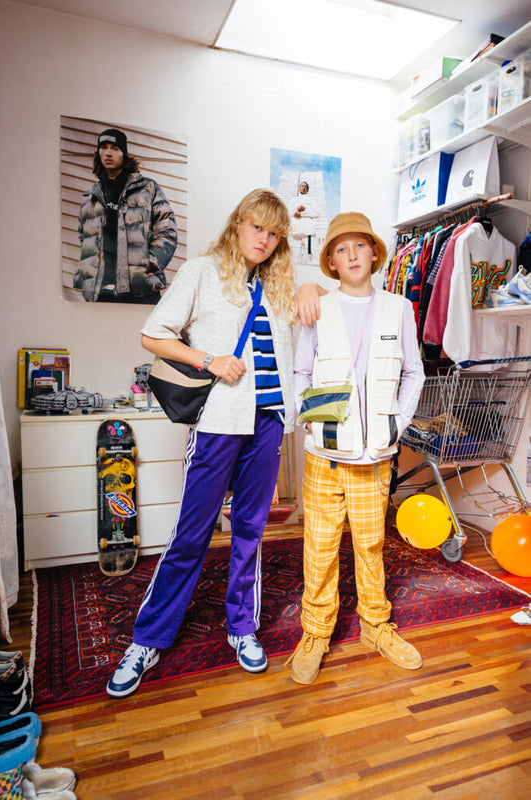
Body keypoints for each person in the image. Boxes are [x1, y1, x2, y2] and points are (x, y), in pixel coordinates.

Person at [106, 188, 296, 698]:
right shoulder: (201, 272)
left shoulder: (277, 285)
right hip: (218, 422)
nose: (264, 239)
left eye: (274, 233)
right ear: (238, 224)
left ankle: (242, 627)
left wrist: (314, 289)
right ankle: (147, 639)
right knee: (191, 534)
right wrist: (208, 360)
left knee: (249, 532)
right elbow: (153, 335)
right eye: (257, 227)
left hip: (268, 423)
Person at [287, 212, 425, 685]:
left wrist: (397, 423)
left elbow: (414, 373)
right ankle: (316, 632)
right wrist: (313, 419)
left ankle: (376, 626)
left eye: (359, 246)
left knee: (370, 545)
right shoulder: (318, 307)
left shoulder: (399, 308)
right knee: (320, 547)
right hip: (325, 456)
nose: (351, 255)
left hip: (375, 456)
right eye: (341, 249)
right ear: (331, 260)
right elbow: (302, 371)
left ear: (374, 253)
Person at [75, 128, 178, 303]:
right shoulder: (90, 197)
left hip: (139, 291)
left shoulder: (148, 189)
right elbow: (84, 238)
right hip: (99, 293)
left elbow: (167, 232)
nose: (108, 153)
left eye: (115, 148)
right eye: (104, 147)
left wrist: (149, 264)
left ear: (124, 153)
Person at [287, 181, 319, 262]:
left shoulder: (311, 200)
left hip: (307, 230)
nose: (303, 188)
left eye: (305, 187)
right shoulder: (293, 200)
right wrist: (296, 211)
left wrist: (303, 212)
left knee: (314, 253)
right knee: (294, 254)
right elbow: (287, 212)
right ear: (299, 188)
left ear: (307, 189)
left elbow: (316, 213)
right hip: (295, 230)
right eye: (302, 186)